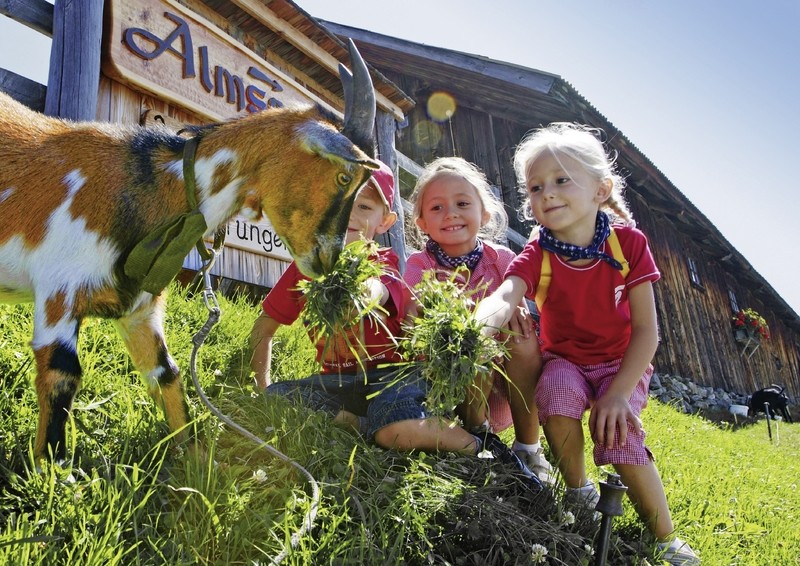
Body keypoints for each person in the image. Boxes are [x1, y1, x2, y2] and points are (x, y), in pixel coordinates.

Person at [474, 124, 699, 565]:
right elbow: (507, 293)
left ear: (601, 189)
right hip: (566, 360)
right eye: (536, 187)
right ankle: (578, 493)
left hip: (620, 362)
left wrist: (616, 395)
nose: (547, 193)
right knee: (556, 399)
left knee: (618, 435)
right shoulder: (540, 250)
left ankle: (664, 536)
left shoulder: (628, 245)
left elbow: (647, 331)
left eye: (561, 180)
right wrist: (478, 325)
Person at [250, 161, 540, 485]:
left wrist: (352, 291)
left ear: (384, 220)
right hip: (341, 381)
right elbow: (263, 328)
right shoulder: (305, 267)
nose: (348, 213)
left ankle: (482, 447)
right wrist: (262, 386)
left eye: (363, 205)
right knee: (279, 397)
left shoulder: (383, 265)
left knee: (393, 433)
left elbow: (375, 290)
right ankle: (362, 424)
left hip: (396, 377)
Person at [404, 157, 553, 481]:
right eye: (437, 208)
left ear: (484, 214)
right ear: (421, 223)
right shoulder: (419, 264)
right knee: (469, 339)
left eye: (461, 203)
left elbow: (527, 303)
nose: (451, 214)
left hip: (505, 385)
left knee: (522, 332)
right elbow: (412, 316)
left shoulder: (502, 260)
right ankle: (477, 436)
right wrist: (432, 310)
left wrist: (516, 310)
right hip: (446, 384)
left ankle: (529, 446)